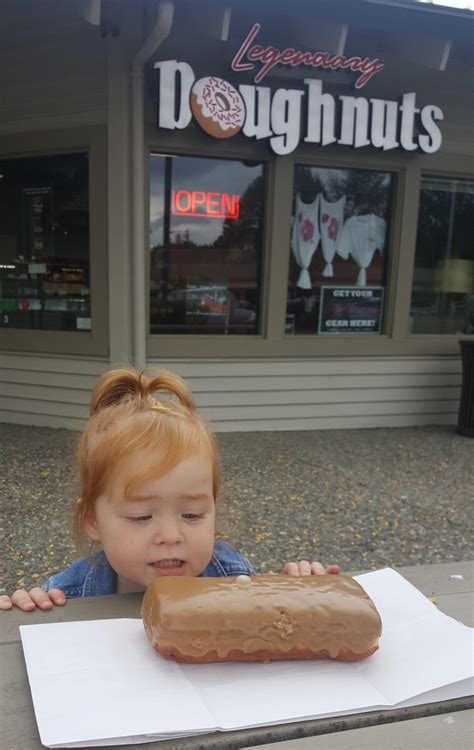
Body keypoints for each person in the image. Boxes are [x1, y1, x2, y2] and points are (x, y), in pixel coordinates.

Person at [0, 368, 339, 612]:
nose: (170, 535)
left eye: (192, 514)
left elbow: (271, 614)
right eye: (141, 516)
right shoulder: (70, 595)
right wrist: (25, 610)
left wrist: (299, 586)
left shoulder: (231, 575)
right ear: (91, 520)